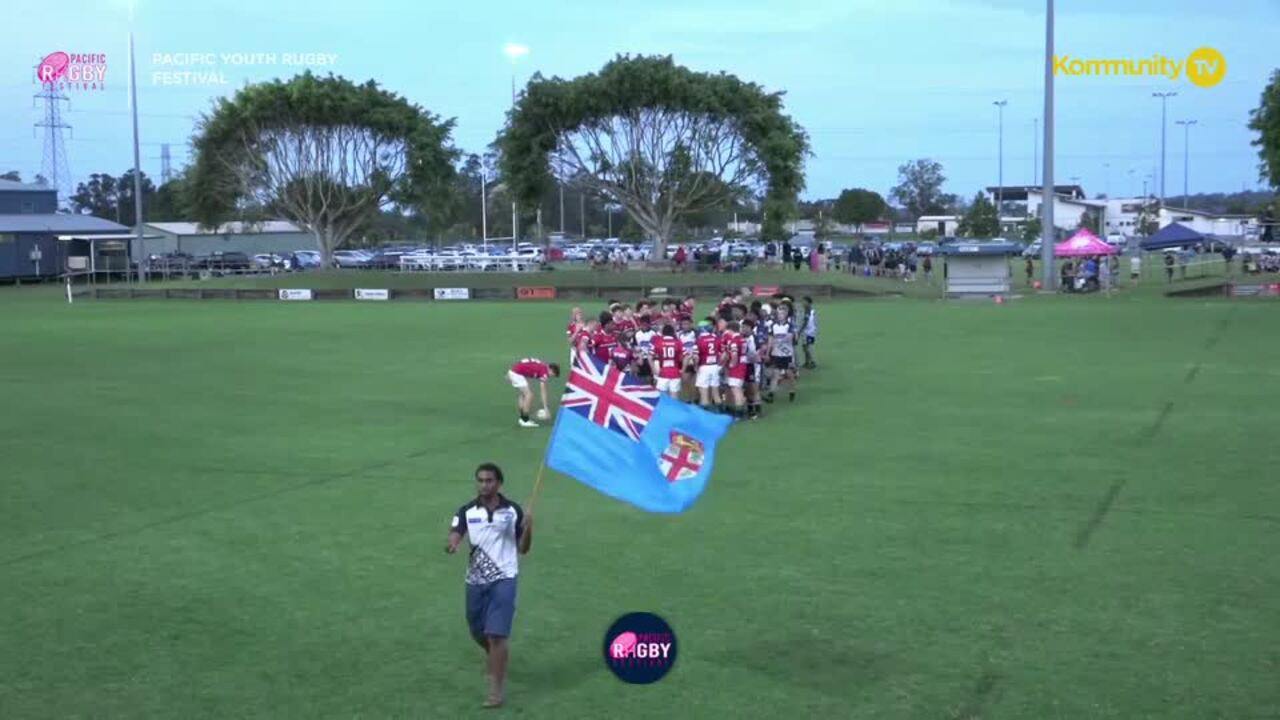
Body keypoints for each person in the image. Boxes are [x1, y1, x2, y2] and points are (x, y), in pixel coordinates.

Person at [446, 463, 532, 709]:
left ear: (499, 483)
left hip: (504, 578)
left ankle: (496, 690)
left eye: (489, 480)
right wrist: (453, 544)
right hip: (475, 580)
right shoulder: (466, 510)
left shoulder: (512, 510)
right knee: (478, 632)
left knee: (496, 635)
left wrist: (529, 527)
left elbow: (523, 548)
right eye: (481, 480)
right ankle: (496, 655)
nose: (484, 485)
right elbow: (456, 532)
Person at [507, 358, 560, 427]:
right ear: (551, 370)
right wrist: (545, 407)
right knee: (529, 395)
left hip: (514, 372)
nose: (550, 376)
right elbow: (543, 391)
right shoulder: (544, 372)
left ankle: (522, 417)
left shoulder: (542, 366)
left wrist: (510, 374)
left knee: (523, 394)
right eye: (552, 374)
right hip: (516, 374)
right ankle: (524, 420)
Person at [765, 304, 798, 403]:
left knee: (789, 373)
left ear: (786, 314)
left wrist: (779, 340)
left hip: (787, 354)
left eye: (783, 313)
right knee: (776, 373)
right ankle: (771, 394)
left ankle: (792, 390)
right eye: (779, 313)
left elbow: (790, 337)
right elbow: (770, 340)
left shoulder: (790, 325)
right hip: (776, 353)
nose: (780, 315)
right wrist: (768, 352)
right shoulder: (773, 325)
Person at [721, 321, 749, 420]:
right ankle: (742, 412)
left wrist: (732, 364)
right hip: (743, 365)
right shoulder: (742, 339)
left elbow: (734, 354)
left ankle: (739, 414)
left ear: (730, 329)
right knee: (739, 390)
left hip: (737, 367)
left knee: (736, 390)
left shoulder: (734, 340)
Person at [651, 324, 685, 399]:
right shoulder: (678, 342)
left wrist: (653, 369)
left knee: (662, 398)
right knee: (674, 398)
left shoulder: (658, 342)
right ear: (673, 333)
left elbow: (649, 356)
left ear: (663, 333)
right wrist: (683, 369)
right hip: (675, 372)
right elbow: (686, 356)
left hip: (663, 372)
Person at [694, 321, 723, 410]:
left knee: (704, 393)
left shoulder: (699, 340)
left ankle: (705, 415)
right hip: (714, 366)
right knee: (716, 392)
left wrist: (695, 366)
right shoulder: (716, 338)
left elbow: (696, 357)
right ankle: (721, 413)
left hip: (704, 366)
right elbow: (722, 353)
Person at [800, 296, 818, 369]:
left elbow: (805, 322)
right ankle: (807, 362)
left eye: (804, 302)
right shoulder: (809, 310)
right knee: (805, 347)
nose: (803, 303)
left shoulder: (808, 310)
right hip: (809, 331)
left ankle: (812, 362)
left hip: (809, 332)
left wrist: (800, 331)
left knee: (806, 347)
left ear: (808, 302)